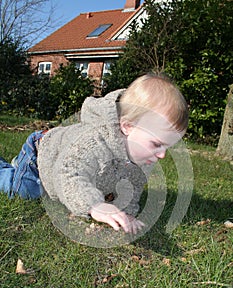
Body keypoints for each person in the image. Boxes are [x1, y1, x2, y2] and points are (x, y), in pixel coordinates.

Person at [0, 73, 189, 234]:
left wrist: (127, 212)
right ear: (128, 127)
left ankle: (17, 166)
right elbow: (69, 173)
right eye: (156, 144)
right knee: (27, 190)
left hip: (61, 160)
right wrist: (95, 205)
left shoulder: (146, 156)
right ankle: (14, 168)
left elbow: (132, 185)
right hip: (43, 154)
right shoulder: (94, 142)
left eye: (167, 147)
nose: (162, 155)